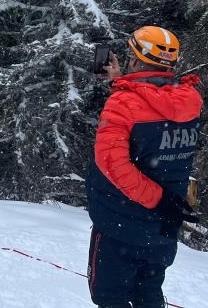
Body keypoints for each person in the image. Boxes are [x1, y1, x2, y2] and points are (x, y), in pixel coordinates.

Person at [86, 26, 202, 308]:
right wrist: (121, 83)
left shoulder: (123, 103)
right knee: (148, 294)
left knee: (110, 298)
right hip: (162, 228)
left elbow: (113, 164)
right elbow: (152, 107)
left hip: (120, 224)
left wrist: (156, 199)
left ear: (135, 60)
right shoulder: (190, 100)